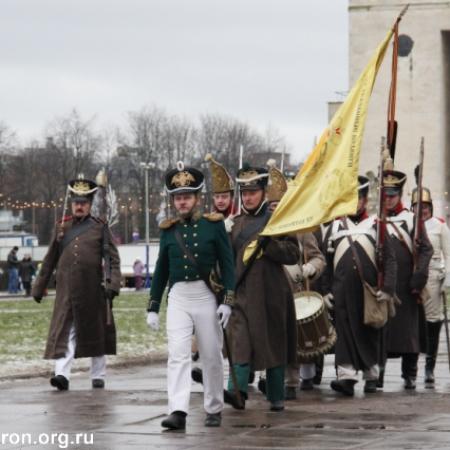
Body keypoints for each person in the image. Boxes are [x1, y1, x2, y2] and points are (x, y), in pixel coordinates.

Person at [146, 162, 235, 431]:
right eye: (178, 198)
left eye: (187, 197)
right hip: (179, 297)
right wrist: (153, 306)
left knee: (210, 354)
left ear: (197, 198)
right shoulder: (168, 230)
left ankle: (214, 406)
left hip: (206, 295)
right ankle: (177, 409)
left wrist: (228, 301)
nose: (182, 202)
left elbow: (227, 263)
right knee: (178, 354)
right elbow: (161, 269)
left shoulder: (214, 226)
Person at [32, 175, 121, 391]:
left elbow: (111, 259)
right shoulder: (62, 227)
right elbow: (50, 258)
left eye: (83, 203)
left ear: (89, 204)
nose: (79, 206)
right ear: (71, 203)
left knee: (97, 332)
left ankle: (98, 375)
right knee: (66, 331)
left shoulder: (100, 227)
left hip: (92, 290)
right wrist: (39, 286)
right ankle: (62, 374)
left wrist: (112, 284)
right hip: (66, 291)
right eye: (76, 202)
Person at [225, 163, 300, 412]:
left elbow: (292, 253)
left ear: (263, 192)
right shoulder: (233, 224)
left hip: (271, 294)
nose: (247, 197)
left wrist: (269, 246)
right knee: (240, 344)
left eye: (252, 192)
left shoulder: (277, 221)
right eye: (244, 193)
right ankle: (237, 392)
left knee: (273, 346)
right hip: (242, 294)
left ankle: (277, 396)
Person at [323, 176, 397, 396]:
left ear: (365, 201)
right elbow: (327, 262)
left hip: (369, 292)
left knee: (369, 333)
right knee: (344, 333)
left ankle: (371, 374)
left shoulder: (377, 225)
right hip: (341, 291)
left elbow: (390, 260)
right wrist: (325, 290)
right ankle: (346, 377)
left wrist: (388, 289)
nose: (355, 203)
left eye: (359, 199)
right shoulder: (335, 226)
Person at [265, 160, 326, 399]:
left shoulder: (302, 227)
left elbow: (318, 258)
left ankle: (290, 381)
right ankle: (268, 378)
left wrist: (309, 268)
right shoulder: (260, 226)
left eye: (278, 203)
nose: (274, 208)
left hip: (293, 290)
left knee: (290, 339)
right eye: (271, 204)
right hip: (266, 288)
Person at [381, 169, 433, 389]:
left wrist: (418, 278)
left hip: (408, 284)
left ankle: (410, 373)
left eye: (392, 195)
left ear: (400, 194)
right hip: (385, 283)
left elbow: (426, 250)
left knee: (409, 333)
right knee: (382, 330)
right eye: (385, 195)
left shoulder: (411, 219)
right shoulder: (377, 219)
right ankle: (378, 373)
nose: (388, 200)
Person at [411, 187, 450, 387]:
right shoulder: (409, 225)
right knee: (411, 323)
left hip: (433, 277)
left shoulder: (439, 226)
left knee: (432, 322)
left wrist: (447, 279)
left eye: (425, 207)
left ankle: (429, 367)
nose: (422, 210)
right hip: (411, 278)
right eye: (418, 206)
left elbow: (449, 253)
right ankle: (410, 370)